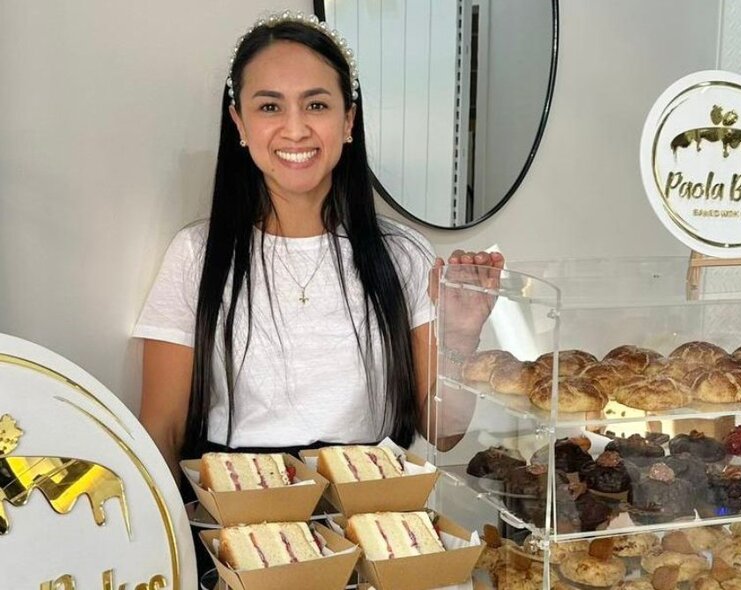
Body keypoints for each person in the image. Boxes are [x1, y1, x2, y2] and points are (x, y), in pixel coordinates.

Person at [134, 11, 503, 485]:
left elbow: (444, 433)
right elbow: (161, 430)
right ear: (239, 123)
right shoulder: (196, 254)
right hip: (238, 521)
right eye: (269, 107)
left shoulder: (403, 254)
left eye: (316, 105)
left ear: (348, 119)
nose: (295, 130)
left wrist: (460, 337)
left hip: (373, 516)